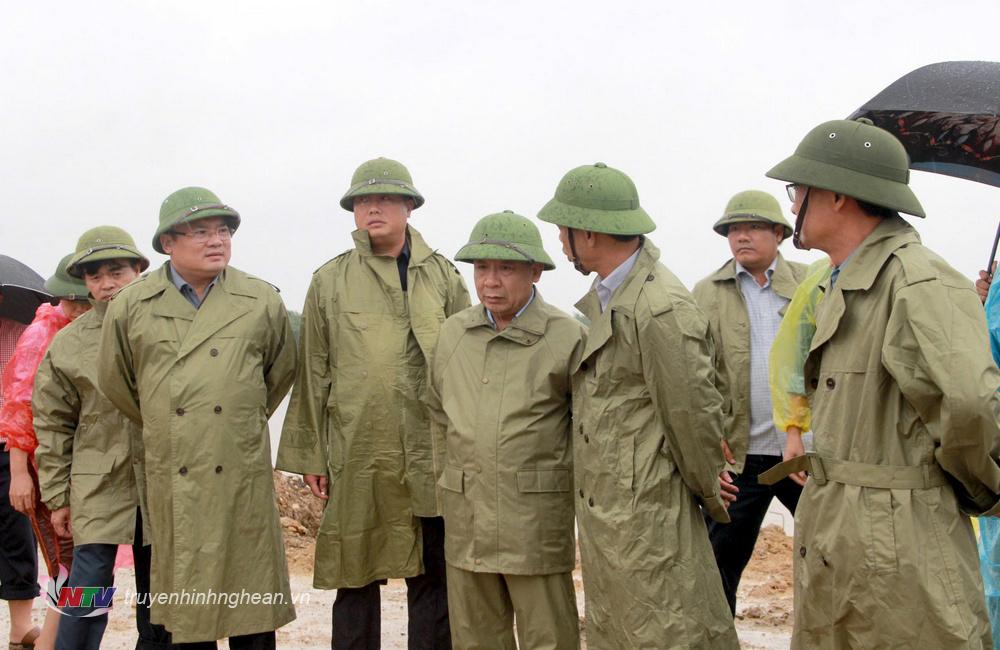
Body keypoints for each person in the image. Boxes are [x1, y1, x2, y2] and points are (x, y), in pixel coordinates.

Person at [761, 118, 1000, 648]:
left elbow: (969, 406)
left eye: (798, 190)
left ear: (838, 195)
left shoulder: (919, 282)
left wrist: (958, 490)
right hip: (845, 535)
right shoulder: (842, 282)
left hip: (901, 543)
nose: (793, 205)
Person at [536, 162, 738, 648]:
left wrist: (709, 487)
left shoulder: (659, 307)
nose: (559, 241)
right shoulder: (615, 296)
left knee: (666, 631)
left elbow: (691, 413)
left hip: (649, 513)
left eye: (563, 229)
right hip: (624, 510)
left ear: (587, 232)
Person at [277, 158, 469, 649]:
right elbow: (312, 371)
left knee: (435, 576)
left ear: (409, 206)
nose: (373, 208)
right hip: (360, 448)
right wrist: (312, 455)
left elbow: (468, 365)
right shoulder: (330, 280)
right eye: (363, 200)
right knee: (355, 574)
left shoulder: (443, 277)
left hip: (431, 450)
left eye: (385, 199)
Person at [98, 188, 298, 648]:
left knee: (251, 605)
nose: (217, 240)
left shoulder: (260, 299)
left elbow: (279, 372)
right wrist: (169, 418)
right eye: (202, 231)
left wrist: (236, 418)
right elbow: (118, 382)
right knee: (190, 613)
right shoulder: (132, 305)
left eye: (224, 230)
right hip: (177, 471)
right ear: (168, 242)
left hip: (240, 469)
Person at [428, 211, 585, 649]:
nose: (490, 282)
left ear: (536, 272)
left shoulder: (567, 337)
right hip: (467, 521)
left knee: (549, 640)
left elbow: (588, 432)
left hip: (534, 524)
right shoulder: (453, 335)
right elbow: (437, 414)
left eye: (506, 268)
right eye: (481, 268)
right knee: (474, 640)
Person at [33, 228, 168, 650]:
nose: (107, 284)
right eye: (95, 276)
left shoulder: (171, 328)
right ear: (83, 282)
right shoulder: (68, 345)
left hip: (164, 476)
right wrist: (58, 496)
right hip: (97, 483)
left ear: (139, 269)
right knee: (88, 586)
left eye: (117, 271)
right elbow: (53, 424)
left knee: (161, 588)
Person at [691, 189, 808, 615]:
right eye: (734, 229)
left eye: (754, 227)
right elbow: (695, 372)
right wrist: (710, 436)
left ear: (778, 233)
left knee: (834, 555)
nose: (742, 236)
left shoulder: (812, 284)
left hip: (803, 452)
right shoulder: (706, 293)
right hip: (738, 456)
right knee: (717, 566)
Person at [2, 254, 91, 650]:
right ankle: (54, 642)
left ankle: (67, 637)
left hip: (86, 466)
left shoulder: (93, 331)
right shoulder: (43, 332)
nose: (79, 307)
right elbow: (19, 406)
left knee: (88, 561)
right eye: (71, 300)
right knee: (69, 560)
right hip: (48, 466)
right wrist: (20, 471)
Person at [1, 289, 38, 650]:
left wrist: (20, 467)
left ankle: (22, 627)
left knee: (19, 535)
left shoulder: (24, 334)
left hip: (13, 449)